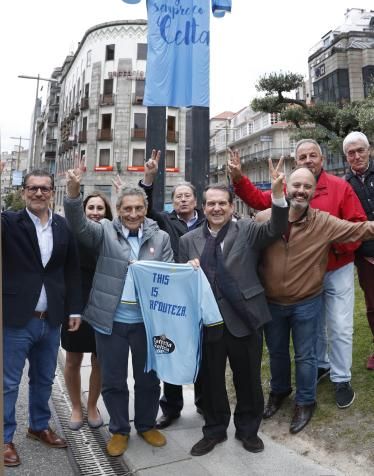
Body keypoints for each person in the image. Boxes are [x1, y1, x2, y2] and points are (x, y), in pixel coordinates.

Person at [229, 140, 366, 409]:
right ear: (296, 163)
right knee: (313, 330)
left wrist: (330, 247)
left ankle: (341, 378)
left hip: (335, 267)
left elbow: (356, 226)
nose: (308, 160)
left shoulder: (340, 187)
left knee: (338, 325)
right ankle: (322, 366)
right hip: (302, 275)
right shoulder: (288, 190)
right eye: (302, 156)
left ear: (322, 159)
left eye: (312, 155)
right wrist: (238, 179)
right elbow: (261, 201)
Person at [256, 165, 374, 434]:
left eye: (307, 187)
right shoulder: (264, 219)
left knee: (306, 356)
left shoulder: (323, 222)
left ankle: (306, 402)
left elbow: (360, 229)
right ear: (286, 187)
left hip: (306, 302)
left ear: (313, 191)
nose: (301, 191)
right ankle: (279, 391)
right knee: (276, 353)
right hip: (272, 302)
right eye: (296, 185)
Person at [178, 173, 289, 457]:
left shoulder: (248, 230)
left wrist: (277, 195)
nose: (216, 208)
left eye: (222, 204)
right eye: (211, 204)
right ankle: (214, 430)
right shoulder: (188, 240)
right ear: (203, 207)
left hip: (245, 317)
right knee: (212, 380)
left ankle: (248, 430)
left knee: (248, 379)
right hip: (209, 321)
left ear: (231, 206)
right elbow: (181, 281)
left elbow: (277, 227)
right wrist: (190, 268)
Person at [64, 171, 173, 458]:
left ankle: (147, 425)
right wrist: (74, 194)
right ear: (119, 209)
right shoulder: (105, 232)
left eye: (138, 208)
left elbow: (169, 277)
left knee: (148, 379)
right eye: (127, 209)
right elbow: (78, 226)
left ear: (145, 209)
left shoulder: (160, 238)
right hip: (110, 322)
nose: (133, 213)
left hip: (147, 324)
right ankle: (120, 430)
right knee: (113, 379)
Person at [2, 169, 82, 468]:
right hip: (15, 318)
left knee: (44, 378)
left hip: (51, 320)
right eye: (33, 188)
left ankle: (38, 425)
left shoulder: (62, 227)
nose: (38, 194)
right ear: (24, 192)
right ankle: (5, 439)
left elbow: (71, 270)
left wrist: (74, 309)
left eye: (44, 189)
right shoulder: (9, 222)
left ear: (52, 192)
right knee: (8, 382)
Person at [137, 150, 205, 428]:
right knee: (170, 346)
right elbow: (147, 207)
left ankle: (204, 402)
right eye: (178, 196)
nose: (183, 200)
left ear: (196, 200)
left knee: (203, 349)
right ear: (173, 202)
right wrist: (149, 178)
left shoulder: (207, 220)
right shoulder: (165, 220)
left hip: (201, 292)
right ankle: (172, 406)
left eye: (187, 195)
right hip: (171, 296)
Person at [61, 191, 112, 430]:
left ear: (107, 212)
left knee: (99, 359)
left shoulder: (112, 235)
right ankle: (75, 406)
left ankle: (92, 405)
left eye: (100, 208)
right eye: (90, 207)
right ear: (83, 211)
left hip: (103, 302)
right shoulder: (71, 233)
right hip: (75, 303)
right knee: (72, 358)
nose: (95, 212)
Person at [343, 131, 374, 370]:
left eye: (360, 150)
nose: (356, 156)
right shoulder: (344, 185)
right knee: (372, 305)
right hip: (366, 256)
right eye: (351, 153)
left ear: (369, 150)